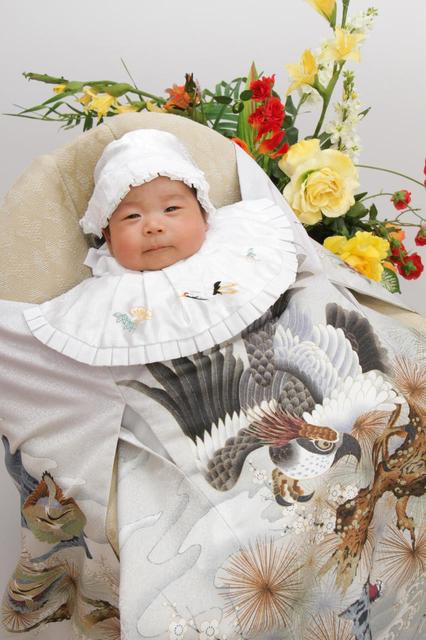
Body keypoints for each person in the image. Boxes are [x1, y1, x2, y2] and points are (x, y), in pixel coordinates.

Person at [1, 127, 425, 640]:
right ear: (105, 235)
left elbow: (308, 286)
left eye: (171, 209)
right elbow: (27, 353)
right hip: (194, 437)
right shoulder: (96, 310)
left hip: (292, 393)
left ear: (204, 214)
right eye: (130, 217)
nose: (153, 225)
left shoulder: (248, 252)